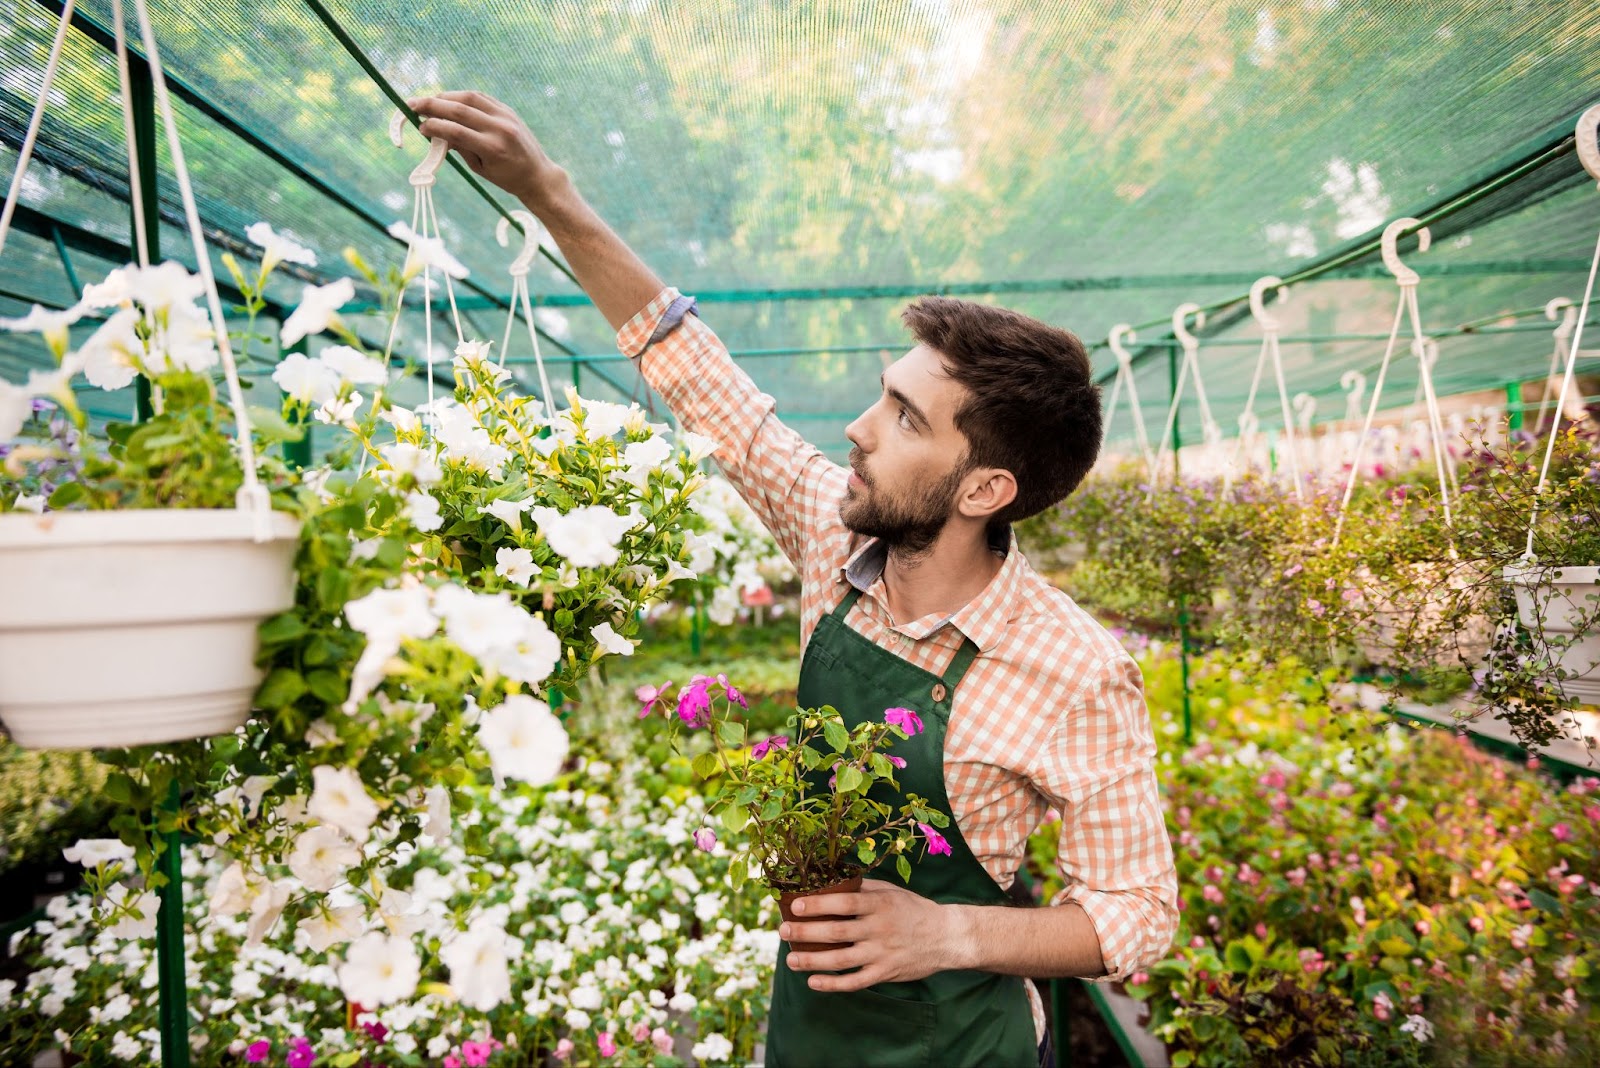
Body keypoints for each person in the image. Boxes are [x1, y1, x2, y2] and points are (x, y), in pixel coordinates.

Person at [410, 90, 1178, 1068]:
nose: (858, 428)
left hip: (959, 1044)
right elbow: (709, 388)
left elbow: (1139, 914)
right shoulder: (834, 543)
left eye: (904, 418)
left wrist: (948, 935)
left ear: (985, 486)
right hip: (811, 1025)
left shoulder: (1071, 668)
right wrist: (549, 194)